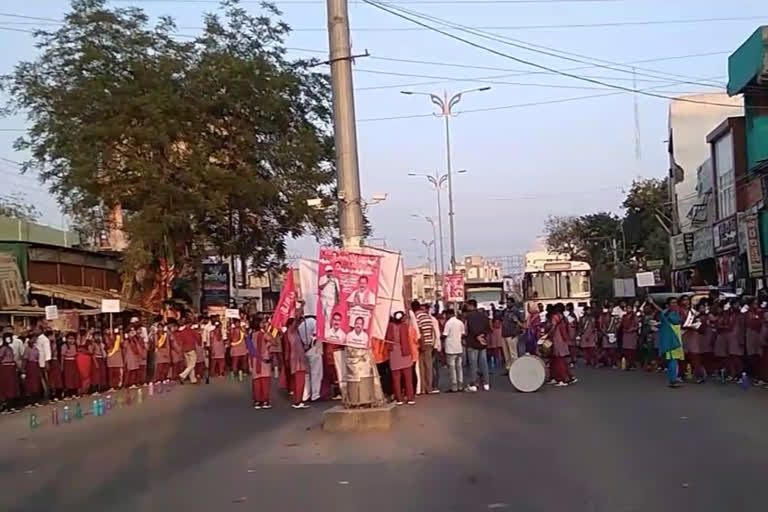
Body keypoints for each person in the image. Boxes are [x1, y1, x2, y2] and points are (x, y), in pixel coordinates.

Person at [652, 296, 685, 388]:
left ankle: (674, 378)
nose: (675, 304)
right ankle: (673, 380)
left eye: (676, 302)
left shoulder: (673, 312)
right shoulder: (667, 313)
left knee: (675, 359)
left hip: (677, 338)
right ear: (668, 305)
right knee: (673, 360)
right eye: (673, 303)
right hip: (671, 339)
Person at [386, 311, 416, 405]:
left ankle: (399, 398)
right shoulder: (406, 327)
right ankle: (410, 397)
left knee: (396, 379)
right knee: (408, 378)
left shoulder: (390, 327)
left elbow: (387, 339)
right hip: (406, 354)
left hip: (394, 354)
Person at [464, 299, 491, 392]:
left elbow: (467, 329)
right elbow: (488, 327)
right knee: (484, 363)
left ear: (471, 305)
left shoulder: (468, 316)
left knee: (473, 364)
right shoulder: (484, 315)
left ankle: (473, 384)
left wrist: (476, 336)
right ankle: (486, 383)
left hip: (472, 342)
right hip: (483, 342)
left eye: (467, 305)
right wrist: (482, 335)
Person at [285, 317, 310, 409]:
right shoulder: (291, 332)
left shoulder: (295, 333)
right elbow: (296, 318)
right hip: (297, 360)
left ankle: (297, 400)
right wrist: (301, 306)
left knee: (298, 381)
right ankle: (298, 401)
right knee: (299, 381)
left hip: (299, 359)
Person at [248, 319, 273, 409]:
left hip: (255, 360)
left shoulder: (250, 336)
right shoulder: (264, 335)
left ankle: (257, 401)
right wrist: (267, 331)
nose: (264, 323)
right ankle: (265, 401)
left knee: (257, 381)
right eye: (262, 322)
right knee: (265, 381)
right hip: (264, 360)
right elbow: (275, 342)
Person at [549, 304, 576, 387]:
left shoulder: (555, 317)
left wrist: (549, 335)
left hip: (557, 339)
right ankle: (570, 377)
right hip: (564, 339)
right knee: (562, 360)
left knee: (559, 360)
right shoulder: (563, 317)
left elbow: (553, 328)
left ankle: (563, 379)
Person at [414, 301, 437, 394]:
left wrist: (421, 343)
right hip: (429, 342)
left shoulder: (417, 317)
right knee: (429, 365)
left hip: (422, 343)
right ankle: (429, 387)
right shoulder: (427, 316)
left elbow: (420, 331)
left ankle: (423, 388)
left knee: (421, 367)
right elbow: (431, 330)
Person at [299, 316, 322, 402]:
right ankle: (315, 395)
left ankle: (306, 395)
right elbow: (315, 336)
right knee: (316, 373)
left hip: (304, 351)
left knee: (307, 374)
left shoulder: (300, 325)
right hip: (314, 349)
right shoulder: (313, 322)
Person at [442, 308, 465, 393]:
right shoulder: (460, 322)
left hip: (450, 348)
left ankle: (454, 386)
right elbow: (463, 334)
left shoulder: (448, 323)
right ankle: (461, 385)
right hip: (459, 347)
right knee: (459, 367)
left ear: (449, 314)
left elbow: (445, 334)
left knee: (452, 368)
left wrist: (440, 339)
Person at [0, 332, 21, 413]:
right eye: (10, 338)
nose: (11, 339)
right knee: (7, 387)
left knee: (12, 386)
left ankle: (12, 405)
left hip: (12, 367)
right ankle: (7, 406)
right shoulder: (3, 348)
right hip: (5, 368)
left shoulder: (9, 348)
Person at [500, 304, 522, 374]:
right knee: (506, 353)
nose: (508, 304)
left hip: (512, 334)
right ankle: (508, 368)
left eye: (509, 302)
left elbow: (520, 323)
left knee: (513, 353)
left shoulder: (516, 311)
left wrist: (516, 332)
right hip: (505, 334)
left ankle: (515, 368)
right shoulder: (505, 311)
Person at [745, 298, 763, 382]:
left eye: (757, 303)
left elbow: (760, 322)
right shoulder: (747, 313)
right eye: (754, 303)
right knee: (751, 355)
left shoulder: (760, 312)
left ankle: (758, 374)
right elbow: (750, 323)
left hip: (759, 334)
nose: (756, 305)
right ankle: (753, 374)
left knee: (759, 355)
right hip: (750, 335)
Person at [23, 336, 43, 406]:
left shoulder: (36, 349)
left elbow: (38, 358)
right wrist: (23, 369)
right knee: (30, 384)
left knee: (36, 383)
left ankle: (36, 400)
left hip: (35, 365)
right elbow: (25, 360)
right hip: (29, 366)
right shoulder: (27, 349)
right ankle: (30, 402)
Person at [177, 319, 199, 384]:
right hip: (191, 349)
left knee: (189, 365)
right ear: (189, 324)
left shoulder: (182, 332)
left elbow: (180, 342)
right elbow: (198, 338)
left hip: (185, 350)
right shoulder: (193, 331)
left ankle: (193, 379)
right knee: (192, 365)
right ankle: (182, 375)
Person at [61, 332, 80, 398]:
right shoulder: (65, 346)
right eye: (69, 339)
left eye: (73, 339)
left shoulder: (75, 346)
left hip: (73, 362)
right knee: (68, 378)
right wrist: (62, 366)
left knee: (74, 377)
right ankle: (68, 393)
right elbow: (62, 356)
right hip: (67, 362)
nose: (71, 340)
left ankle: (74, 392)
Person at [621, 304, 640, 369]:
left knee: (632, 350)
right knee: (626, 350)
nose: (628, 309)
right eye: (627, 308)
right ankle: (627, 363)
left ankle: (632, 364)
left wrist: (632, 329)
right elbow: (622, 325)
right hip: (625, 334)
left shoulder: (634, 316)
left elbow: (637, 326)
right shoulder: (624, 316)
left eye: (629, 308)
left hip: (632, 334)